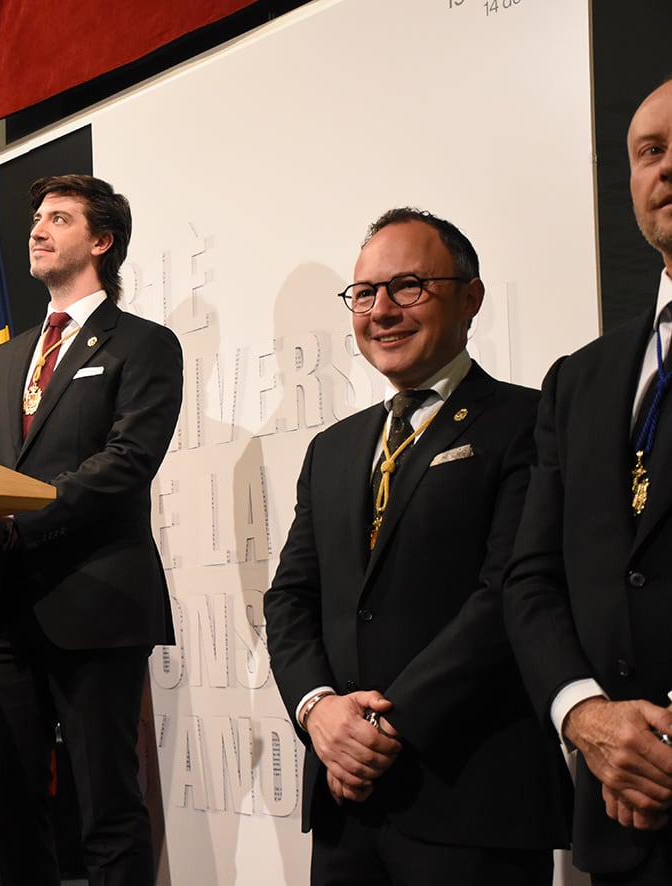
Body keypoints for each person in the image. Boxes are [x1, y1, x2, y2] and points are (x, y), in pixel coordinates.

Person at [263, 209, 570, 885]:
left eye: (409, 287)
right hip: (348, 799)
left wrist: (383, 727)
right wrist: (320, 711)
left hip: (474, 796)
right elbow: (292, 598)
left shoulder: (530, 420)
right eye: (365, 293)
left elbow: (508, 594)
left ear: (471, 297)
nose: (382, 311)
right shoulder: (333, 449)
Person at [0, 173, 183, 885]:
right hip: (4, 612)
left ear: (102, 240)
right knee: (8, 799)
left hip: (95, 601)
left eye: (59, 218)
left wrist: (24, 509)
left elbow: (127, 462)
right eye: (37, 219)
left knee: (106, 801)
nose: (37, 230)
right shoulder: (6, 356)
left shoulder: (143, 345)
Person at [504, 76, 672, 884]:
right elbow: (532, 577)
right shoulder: (580, 378)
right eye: (650, 152)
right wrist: (588, 716)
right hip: (615, 811)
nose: (666, 168)